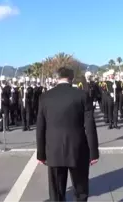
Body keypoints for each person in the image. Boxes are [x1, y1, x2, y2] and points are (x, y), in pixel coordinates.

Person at [36, 67, 99, 202]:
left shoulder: (45, 97)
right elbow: (90, 126)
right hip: (78, 149)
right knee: (80, 191)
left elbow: (40, 127)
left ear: (57, 77)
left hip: (54, 149)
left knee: (57, 192)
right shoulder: (82, 95)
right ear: (71, 78)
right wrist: (94, 152)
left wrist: (40, 154)